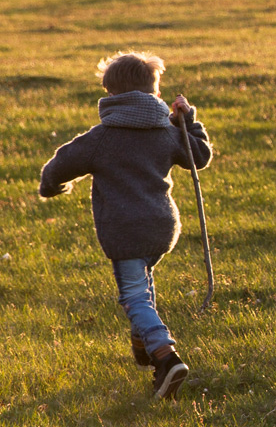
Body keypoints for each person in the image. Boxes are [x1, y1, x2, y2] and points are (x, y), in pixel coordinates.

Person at [40, 50, 212, 399]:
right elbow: (200, 156)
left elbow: (59, 165)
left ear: (111, 95)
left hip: (125, 230)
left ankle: (165, 357)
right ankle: (142, 341)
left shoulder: (102, 137)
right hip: (162, 228)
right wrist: (188, 121)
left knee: (134, 295)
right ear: (155, 94)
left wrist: (51, 187)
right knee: (141, 287)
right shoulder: (165, 132)